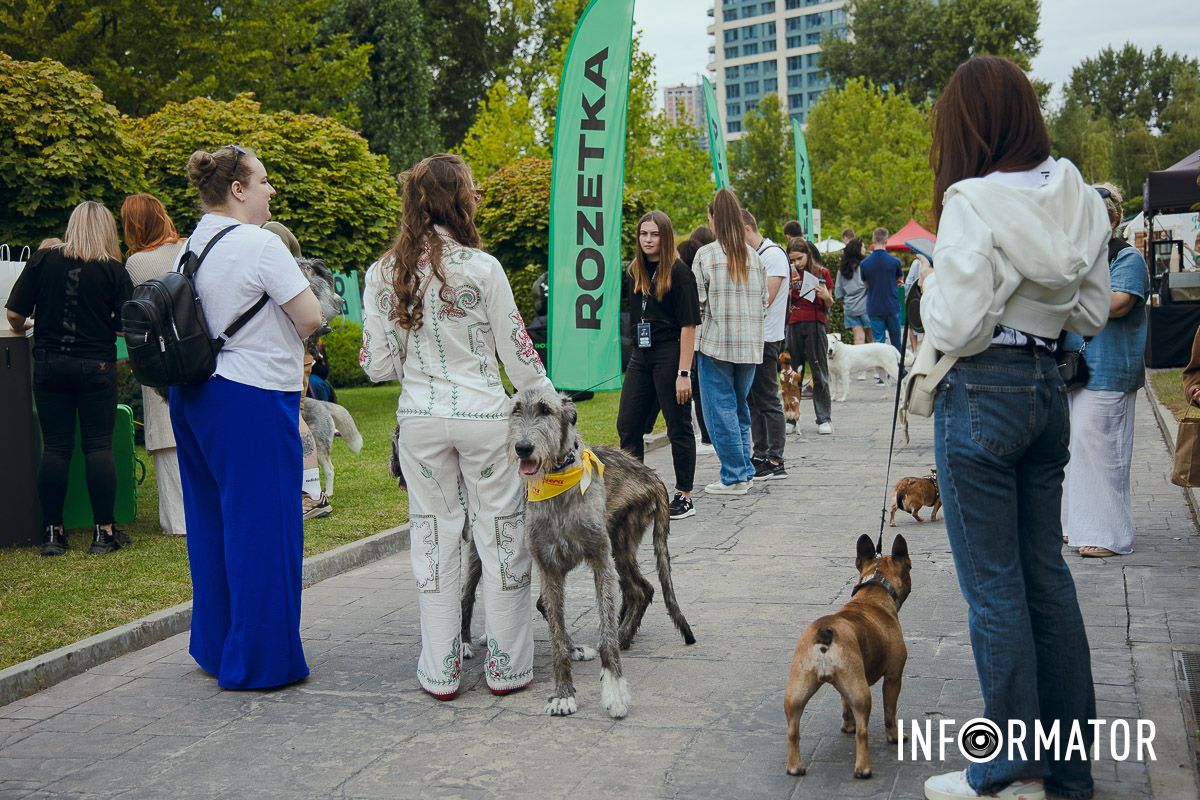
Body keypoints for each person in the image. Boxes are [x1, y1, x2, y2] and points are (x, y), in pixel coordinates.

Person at [918, 56, 1110, 800]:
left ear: (968, 124)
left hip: (981, 387)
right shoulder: (1079, 195)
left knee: (994, 591)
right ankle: (1068, 770)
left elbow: (958, 324)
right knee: (1047, 581)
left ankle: (1004, 760)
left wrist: (936, 285)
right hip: (1045, 387)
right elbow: (1090, 314)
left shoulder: (970, 199)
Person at [360, 153, 553, 699]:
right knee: (501, 536)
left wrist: (408, 354)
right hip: (484, 418)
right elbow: (521, 360)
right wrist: (550, 409)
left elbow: (375, 364)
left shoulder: (384, 273)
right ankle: (508, 667)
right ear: (458, 200)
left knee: (432, 537)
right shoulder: (481, 268)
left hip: (420, 420)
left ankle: (441, 668)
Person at [171, 145, 322, 690]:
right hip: (251, 397)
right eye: (264, 181)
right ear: (238, 189)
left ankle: (215, 645)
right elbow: (309, 317)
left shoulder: (188, 246)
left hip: (193, 394)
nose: (270, 190)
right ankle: (260, 661)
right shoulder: (261, 245)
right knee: (265, 529)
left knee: (212, 525)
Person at [5, 202, 133, 556]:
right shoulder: (113, 270)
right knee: (98, 446)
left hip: (49, 362)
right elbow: (125, 326)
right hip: (96, 366)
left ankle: (52, 533)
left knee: (56, 447)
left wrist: (27, 325)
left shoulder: (43, 259)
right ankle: (104, 534)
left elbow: (15, 312)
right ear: (107, 229)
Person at [1061, 183, 1150, 558]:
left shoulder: (1126, 258)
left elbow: (1118, 304)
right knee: (1074, 448)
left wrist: (1065, 297)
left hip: (1110, 371)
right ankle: (1077, 525)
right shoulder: (1074, 258)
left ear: (1113, 219)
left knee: (1102, 449)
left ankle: (1110, 533)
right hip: (1073, 370)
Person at [616, 211, 701, 520]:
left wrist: (683, 373)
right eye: (643, 235)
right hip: (642, 354)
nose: (648, 240)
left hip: (670, 353)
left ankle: (684, 494)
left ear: (665, 238)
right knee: (628, 424)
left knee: (678, 424)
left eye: (654, 235)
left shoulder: (679, 273)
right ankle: (634, 492)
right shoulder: (634, 271)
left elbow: (689, 326)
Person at [692, 189, 767, 495]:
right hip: (749, 345)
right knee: (739, 409)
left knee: (719, 412)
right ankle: (745, 470)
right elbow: (764, 302)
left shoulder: (706, 255)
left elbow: (696, 304)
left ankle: (734, 475)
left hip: (716, 343)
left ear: (713, 219)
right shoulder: (753, 256)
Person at [121, 193, 186, 537]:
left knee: (165, 433)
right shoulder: (189, 247)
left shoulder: (135, 264)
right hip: (195, 348)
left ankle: (177, 520)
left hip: (158, 355)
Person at [261, 220, 331, 521]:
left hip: (295, 352)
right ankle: (305, 491)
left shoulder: (293, 274)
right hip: (296, 352)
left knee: (295, 416)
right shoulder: (297, 273)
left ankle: (312, 494)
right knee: (293, 416)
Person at [742, 209, 790, 478]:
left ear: (747, 229)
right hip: (754, 337)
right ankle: (760, 453)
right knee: (754, 400)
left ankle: (775, 458)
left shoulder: (772, 255)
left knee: (768, 398)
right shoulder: (758, 254)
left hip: (766, 338)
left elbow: (765, 298)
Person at [785, 238, 834, 434]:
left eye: (799, 258)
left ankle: (824, 418)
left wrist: (825, 296)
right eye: (792, 260)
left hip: (815, 324)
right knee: (791, 373)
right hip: (794, 323)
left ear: (808, 254)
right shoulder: (788, 274)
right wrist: (788, 289)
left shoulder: (822, 273)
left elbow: (830, 302)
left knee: (819, 370)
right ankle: (791, 418)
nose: (796, 263)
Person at [687, 226, 718, 453]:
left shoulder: (699, 261)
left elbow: (698, 301)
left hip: (701, 337)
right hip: (711, 336)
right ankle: (709, 436)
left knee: (700, 391)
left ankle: (707, 437)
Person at [860, 226, 903, 362]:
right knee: (896, 341)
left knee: (879, 343)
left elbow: (866, 284)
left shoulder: (865, 263)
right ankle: (899, 369)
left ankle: (881, 374)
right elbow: (899, 280)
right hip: (892, 306)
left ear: (873, 240)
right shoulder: (895, 262)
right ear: (886, 240)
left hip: (874, 306)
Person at [834, 237, 870, 355]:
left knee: (858, 338)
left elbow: (838, 293)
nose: (865, 248)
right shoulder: (865, 266)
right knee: (871, 338)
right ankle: (874, 366)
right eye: (863, 246)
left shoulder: (842, 270)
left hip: (850, 308)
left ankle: (861, 368)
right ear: (858, 250)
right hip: (866, 306)